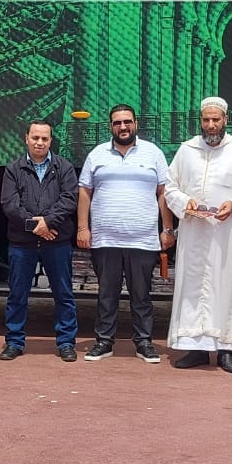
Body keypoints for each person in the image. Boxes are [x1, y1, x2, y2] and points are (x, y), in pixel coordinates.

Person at [163, 97, 232, 373]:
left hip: (226, 235)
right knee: (193, 288)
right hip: (194, 232)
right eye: (206, 120)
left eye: (216, 119)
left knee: (226, 286)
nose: (211, 125)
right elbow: (170, 187)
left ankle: (226, 349)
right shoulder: (187, 150)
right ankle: (196, 348)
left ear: (225, 120)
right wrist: (186, 202)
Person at [77, 104, 172, 363]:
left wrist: (167, 229)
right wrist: (83, 228)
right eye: (117, 122)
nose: (123, 126)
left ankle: (144, 342)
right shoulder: (97, 154)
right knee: (106, 294)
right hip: (105, 238)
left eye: (127, 121)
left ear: (135, 124)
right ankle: (104, 342)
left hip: (143, 239)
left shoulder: (153, 153)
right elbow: (84, 191)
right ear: (111, 126)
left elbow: (163, 193)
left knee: (142, 295)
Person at [0, 119, 80, 362]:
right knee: (17, 294)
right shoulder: (13, 169)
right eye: (35, 137)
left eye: (45, 138)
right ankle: (14, 342)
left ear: (51, 140)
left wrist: (48, 222)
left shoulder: (64, 167)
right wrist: (37, 227)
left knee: (64, 294)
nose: (40, 142)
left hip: (57, 241)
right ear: (26, 138)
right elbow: (10, 205)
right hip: (21, 243)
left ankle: (66, 342)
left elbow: (69, 199)